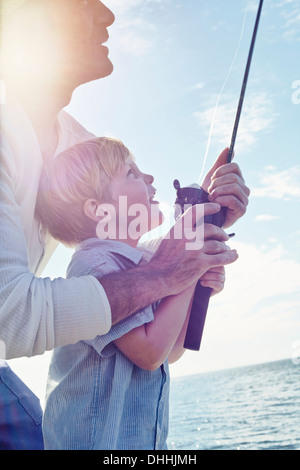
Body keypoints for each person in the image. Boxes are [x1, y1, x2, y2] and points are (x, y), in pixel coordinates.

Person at [0, 0, 250, 449]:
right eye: (81, 1)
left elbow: (138, 247)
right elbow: (12, 314)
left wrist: (203, 218)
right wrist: (180, 265)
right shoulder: (92, 256)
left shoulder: (77, 146)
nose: (106, 14)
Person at [35, 136, 238, 450]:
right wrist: (188, 270)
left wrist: (198, 287)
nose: (149, 178)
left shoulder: (148, 264)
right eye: (131, 174)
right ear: (98, 210)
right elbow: (149, 353)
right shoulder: (93, 265)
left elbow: (170, 352)